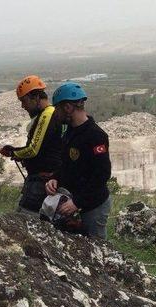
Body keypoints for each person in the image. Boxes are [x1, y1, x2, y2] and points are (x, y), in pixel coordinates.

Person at [45, 82, 112, 239]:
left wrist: (78, 202)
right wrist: (55, 178)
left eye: (57, 109)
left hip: (93, 205)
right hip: (74, 201)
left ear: (68, 108)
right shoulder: (69, 132)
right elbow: (67, 163)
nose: (55, 113)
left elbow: (102, 175)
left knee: (96, 247)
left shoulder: (96, 136)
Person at [0, 75, 62, 215]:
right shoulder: (48, 114)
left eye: (24, 101)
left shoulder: (47, 115)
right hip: (45, 178)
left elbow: (33, 149)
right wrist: (15, 151)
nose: (23, 106)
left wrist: (13, 153)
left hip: (42, 180)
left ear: (36, 97)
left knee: (24, 217)